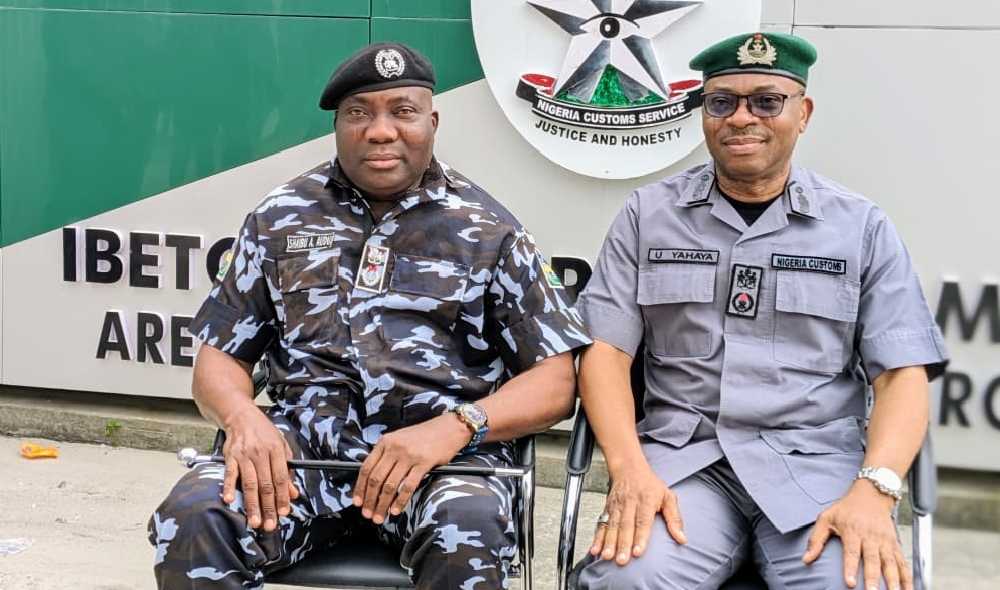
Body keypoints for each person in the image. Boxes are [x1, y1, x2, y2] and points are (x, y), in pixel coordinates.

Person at [147, 41, 590, 589]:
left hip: (440, 461)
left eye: (402, 111)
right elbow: (218, 360)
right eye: (359, 112)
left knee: (468, 525)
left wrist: (456, 427)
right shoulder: (279, 217)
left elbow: (554, 383)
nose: (381, 131)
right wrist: (243, 419)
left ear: (431, 122)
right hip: (303, 456)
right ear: (337, 125)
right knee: (195, 513)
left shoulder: (489, 230)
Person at [573, 32, 948, 590]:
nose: (741, 117)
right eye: (721, 102)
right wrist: (628, 471)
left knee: (860, 583)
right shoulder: (648, 215)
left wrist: (875, 490)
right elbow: (605, 351)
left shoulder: (860, 227)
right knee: (626, 580)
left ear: (803, 113)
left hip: (818, 471)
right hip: (685, 469)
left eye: (766, 101)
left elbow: (900, 374)